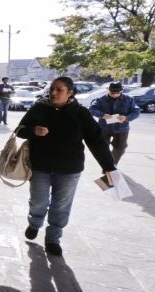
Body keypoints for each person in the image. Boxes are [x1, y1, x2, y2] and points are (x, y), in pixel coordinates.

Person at [16, 77, 115, 256]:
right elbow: (19, 130)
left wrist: (108, 166)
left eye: (59, 90)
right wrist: (33, 131)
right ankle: (35, 223)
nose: (53, 93)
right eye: (52, 89)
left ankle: (53, 238)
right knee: (38, 201)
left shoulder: (81, 113)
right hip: (40, 166)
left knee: (61, 205)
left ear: (70, 92)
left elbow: (96, 141)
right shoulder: (39, 108)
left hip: (69, 169)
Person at [88, 81, 140, 165]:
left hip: (122, 129)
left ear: (121, 91)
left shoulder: (129, 99)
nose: (115, 94)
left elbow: (136, 111)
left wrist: (126, 117)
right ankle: (107, 165)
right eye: (112, 92)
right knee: (102, 148)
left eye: (117, 92)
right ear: (108, 90)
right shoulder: (100, 99)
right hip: (104, 128)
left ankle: (112, 164)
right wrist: (102, 115)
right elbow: (92, 109)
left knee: (120, 148)